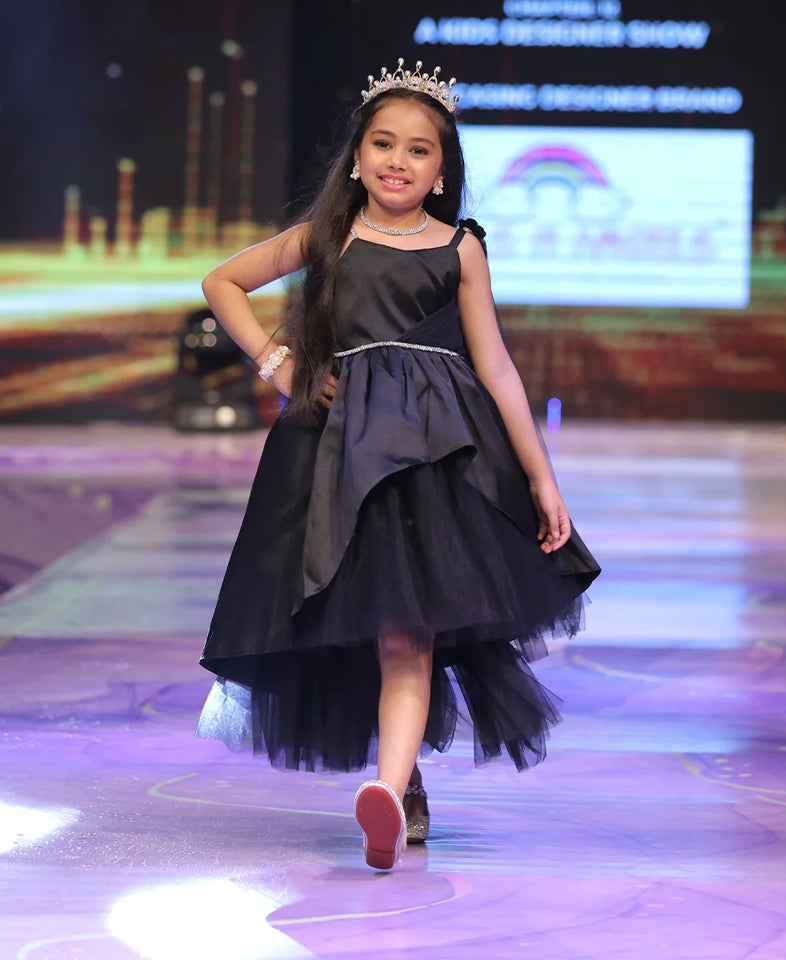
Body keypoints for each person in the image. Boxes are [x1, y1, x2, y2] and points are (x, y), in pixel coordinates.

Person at [196, 58, 600, 871]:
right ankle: (401, 780)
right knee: (355, 626)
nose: (397, 161)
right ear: (356, 155)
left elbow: (497, 368)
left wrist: (542, 477)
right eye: (383, 143)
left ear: (443, 170)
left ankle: (384, 790)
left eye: (419, 150)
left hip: (435, 461)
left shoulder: (459, 249)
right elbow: (223, 281)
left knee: (407, 634)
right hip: (334, 456)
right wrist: (279, 362)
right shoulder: (330, 235)